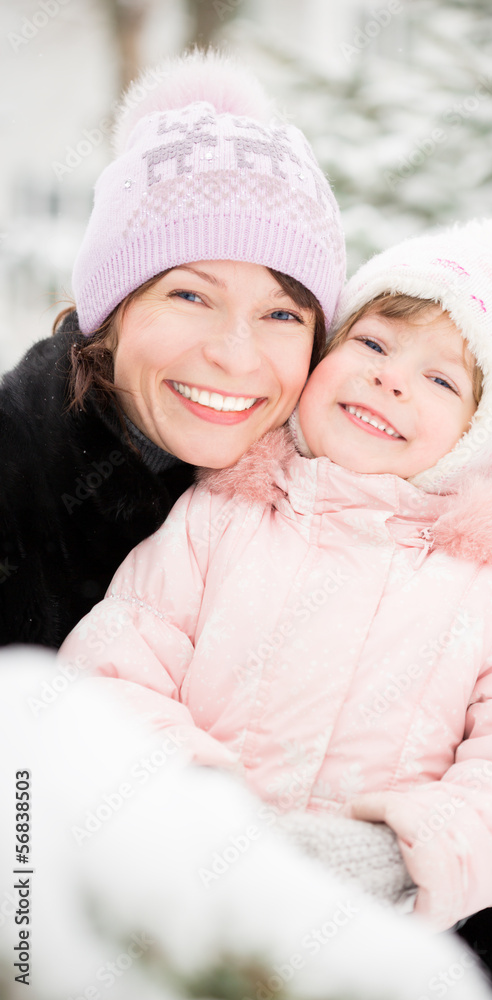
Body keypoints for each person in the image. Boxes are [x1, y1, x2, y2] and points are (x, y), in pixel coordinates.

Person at [60, 215, 492, 997]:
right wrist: (196, 802)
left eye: (441, 380)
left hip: (373, 944)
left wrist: (410, 848)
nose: (392, 380)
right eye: (375, 345)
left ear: (479, 435)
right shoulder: (222, 513)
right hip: (188, 911)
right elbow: (114, 672)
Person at [0, 49, 345, 648]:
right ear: (110, 312)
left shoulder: (346, 509)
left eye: (282, 313)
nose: (236, 357)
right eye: (190, 296)